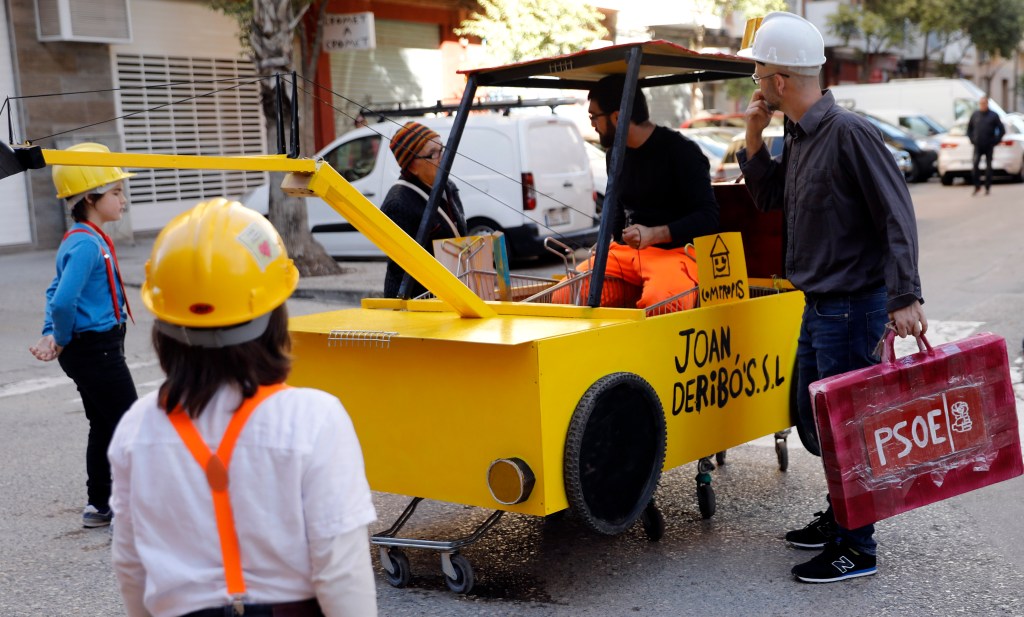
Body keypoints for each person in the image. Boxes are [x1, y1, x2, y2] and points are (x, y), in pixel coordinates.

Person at [108, 198, 378, 617]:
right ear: (274, 317)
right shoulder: (314, 418)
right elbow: (340, 568)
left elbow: (130, 562)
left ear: (164, 325)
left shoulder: (136, 427)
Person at [737, 11, 928, 583]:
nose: (757, 87)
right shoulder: (798, 136)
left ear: (778, 82)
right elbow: (769, 199)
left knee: (846, 430)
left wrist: (905, 297)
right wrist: (753, 137)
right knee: (813, 421)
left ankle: (856, 547)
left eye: (758, 77)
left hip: (853, 307)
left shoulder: (850, 133)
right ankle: (843, 514)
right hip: (819, 305)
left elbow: (898, 215)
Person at [29, 142, 138, 529]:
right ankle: (138, 508)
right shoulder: (85, 243)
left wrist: (50, 333)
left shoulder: (83, 237)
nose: (123, 199)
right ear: (90, 198)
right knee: (131, 423)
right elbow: (62, 302)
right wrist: (57, 335)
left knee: (105, 424)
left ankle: (100, 504)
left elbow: (54, 291)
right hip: (96, 350)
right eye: (115, 192)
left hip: (97, 348)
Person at [582, 74, 719, 309]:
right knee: (570, 294)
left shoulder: (681, 152)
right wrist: (616, 237)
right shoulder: (614, 153)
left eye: (594, 117)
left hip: (677, 254)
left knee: (660, 303)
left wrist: (655, 234)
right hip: (627, 255)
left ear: (617, 117)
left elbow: (709, 217)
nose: (592, 124)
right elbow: (616, 209)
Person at [381, 121, 468, 298]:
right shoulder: (397, 204)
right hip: (418, 302)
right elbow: (404, 269)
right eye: (432, 154)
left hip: (449, 296)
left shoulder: (448, 186)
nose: (442, 157)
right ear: (412, 166)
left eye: (441, 149)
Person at [967, 95, 1004, 196]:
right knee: (975, 166)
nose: (982, 105)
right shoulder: (975, 115)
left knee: (988, 167)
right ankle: (977, 186)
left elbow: (1001, 130)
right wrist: (972, 139)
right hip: (978, 145)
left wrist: (996, 141)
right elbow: (969, 129)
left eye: (984, 103)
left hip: (989, 145)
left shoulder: (993, 115)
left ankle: (987, 187)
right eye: (981, 103)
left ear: (987, 104)